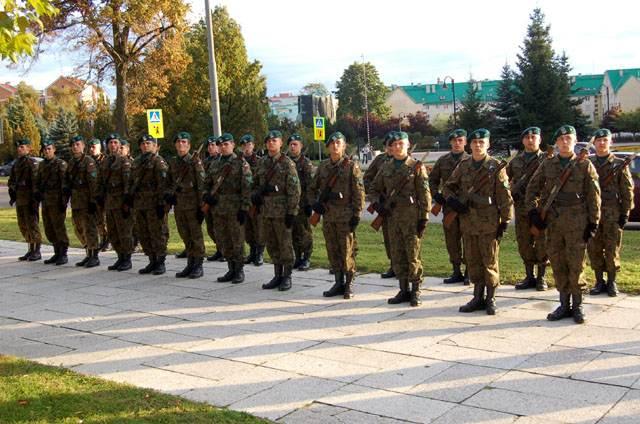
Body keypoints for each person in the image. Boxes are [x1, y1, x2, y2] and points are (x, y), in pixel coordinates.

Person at [526, 125, 600, 324]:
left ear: (575, 142)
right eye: (561, 139)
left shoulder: (584, 165)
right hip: (554, 222)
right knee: (558, 262)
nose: (565, 142)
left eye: (569, 138)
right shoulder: (548, 164)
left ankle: (577, 305)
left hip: (578, 222)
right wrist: (533, 211)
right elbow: (532, 187)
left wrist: (594, 222)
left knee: (576, 264)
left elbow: (594, 196)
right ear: (556, 143)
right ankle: (563, 304)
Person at [444, 129, 513, 315]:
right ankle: (477, 297)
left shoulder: (495, 166)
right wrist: (453, 202)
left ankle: (490, 298)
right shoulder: (464, 165)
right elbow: (449, 186)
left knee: (489, 261)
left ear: (488, 144)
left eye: (482, 142)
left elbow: (505, 197)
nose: (478, 145)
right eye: (474, 142)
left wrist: (505, 221)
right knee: (473, 261)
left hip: (489, 223)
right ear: (470, 145)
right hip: (468, 222)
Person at [371, 131, 431, 306]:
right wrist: (377, 204)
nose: (397, 147)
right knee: (397, 255)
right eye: (394, 144)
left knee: (413, 255)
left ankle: (415, 290)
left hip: (412, 218)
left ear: (407, 145)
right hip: (392, 218)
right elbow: (373, 188)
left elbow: (424, 194)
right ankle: (403, 289)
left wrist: (424, 217)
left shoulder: (416, 167)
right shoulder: (386, 167)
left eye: (401, 144)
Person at [311, 131, 365, 299]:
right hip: (328, 215)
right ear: (327, 147)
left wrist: (357, 213)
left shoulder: (351, 166)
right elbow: (312, 188)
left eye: (338, 143)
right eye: (332, 143)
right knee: (332, 249)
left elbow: (359, 192)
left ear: (344, 146)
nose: (335, 146)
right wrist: (316, 204)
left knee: (346, 250)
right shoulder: (323, 166)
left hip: (345, 215)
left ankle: (348, 284)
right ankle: (338, 282)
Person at [251, 130, 300, 291]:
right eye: (269, 141)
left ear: (280, 143)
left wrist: (291, 212)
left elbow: (294, 190)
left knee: (285, 244)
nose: (271, 143)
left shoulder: (287, 163)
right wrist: (255, 195)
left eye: (275, 140)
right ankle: (277, 275)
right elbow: (255, 184)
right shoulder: (262, 163)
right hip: (266, 211)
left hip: (282, 212)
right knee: (272, 244)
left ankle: (287, 276)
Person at [587, 128, 634, 297]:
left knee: (612, 248)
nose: (601, 143)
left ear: (610, 142)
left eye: (605, 140)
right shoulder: (588, 162)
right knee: (594, 248)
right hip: (592, 213)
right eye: (598, 140)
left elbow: (627, 189)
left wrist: (626, 212)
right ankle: (599, 281)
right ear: (595, 143)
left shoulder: (618, 164)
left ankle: (612, 281)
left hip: (612, 213)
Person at [203, 133, 252, 283]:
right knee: (223, 239)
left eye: (226, 144)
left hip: (234, 209)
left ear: (233, 145)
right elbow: (207, 183)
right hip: (218, 209)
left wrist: (244, 208)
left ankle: (239, 270)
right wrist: (206, 196)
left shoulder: (240, 163)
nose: (223, 147)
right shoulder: (214, 163)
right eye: (221, 145)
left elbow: (247, 187)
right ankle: (230, 268)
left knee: (236, 240)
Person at [507, 127, 550, 291]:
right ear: (523, 140)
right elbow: (504, 180)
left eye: (534, 137)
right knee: (524, 241)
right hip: (521, 208)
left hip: (540, 209)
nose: (530, 140)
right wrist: (510, 193)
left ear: (539, 140)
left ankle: (541, 277)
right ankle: (529, 276)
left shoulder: (547, 159)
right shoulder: (515, 161)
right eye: (527, 137)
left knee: (541, 242)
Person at [429, 129, 471, 285]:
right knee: (451, 239)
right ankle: (456, 271)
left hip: (467, 207)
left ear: (465, 142)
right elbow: (432, 180)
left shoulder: (471, 159)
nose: (457, 143)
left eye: (460, 140)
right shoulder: (442, 160)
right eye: (454, 140)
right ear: (450, 142)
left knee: (468, 239)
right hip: (448, 206)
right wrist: (436, 195)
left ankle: (469, 272)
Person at [165, 132, 207, 279]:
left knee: (195, 235)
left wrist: (201, 206)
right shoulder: (173, 162)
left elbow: (201, 185)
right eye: (178, 142)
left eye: (184, 142)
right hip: (179, 203)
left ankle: (198, 264)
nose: (181, 144)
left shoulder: (195, 162)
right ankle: (190, 262)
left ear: (189, 145)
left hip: (192, 203)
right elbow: (170, 182)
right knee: (184, 234)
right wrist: (170, 195)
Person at [128, 134, 169, 275]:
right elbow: (132, 181)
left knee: (157, 233)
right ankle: (152, 260)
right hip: (140, 204)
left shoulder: (158, 161)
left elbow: (163, 184)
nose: (146, 145)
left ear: (154, 146)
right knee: (143, 233)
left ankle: (160, 262)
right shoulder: (137, 162)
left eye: (149, 143)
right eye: (143, 143)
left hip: (154, 204)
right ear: (140, 146)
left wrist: (161, 203)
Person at [363, 131, 396, 279]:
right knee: (388, 237)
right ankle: (393, 265)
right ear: (385, 146)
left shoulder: (408, 161)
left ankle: (405, 266)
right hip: (384, 205)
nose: (391, 148)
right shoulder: (380, 160)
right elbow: (367, 179)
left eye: (394, 144)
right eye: (389, 145)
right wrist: (375, 199)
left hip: (402, 207)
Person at [64, 135, 100, 267]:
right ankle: (87, 252)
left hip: (86, 200)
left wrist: (93, 201)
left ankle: (94, 255)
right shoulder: (72, 162)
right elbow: (68, 181)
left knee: (89, 228)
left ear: (83, 146)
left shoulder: (88, 161)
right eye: (73, 145)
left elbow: (93, 183)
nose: (75, 147)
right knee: (78, 228)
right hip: (76, 201)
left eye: (78, 144)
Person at [100, 133, 134, 271]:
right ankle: (120, 257)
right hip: (110, 202)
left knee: (124, 231)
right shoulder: (106, 161)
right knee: (113, 232)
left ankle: (127, 258)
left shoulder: (124, 161)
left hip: (121, 202)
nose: (113, 145)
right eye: (110, 143)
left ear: (119, 145)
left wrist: (127, 201)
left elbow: (128, 183)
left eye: (115, 142)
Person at [36, 138, 69, 265]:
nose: (47, 151)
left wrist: (63, 202)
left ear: (54, 150)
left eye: (49, 149)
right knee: (49, 228)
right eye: (45, 149)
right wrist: (38, 193)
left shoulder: (61, 164)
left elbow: (64, 185)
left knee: (59, 227)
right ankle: (56, 252)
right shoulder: (42, 165)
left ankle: (63, 253)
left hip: (57, 201)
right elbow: (39, 181)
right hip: (46, 201)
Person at [8, 138, 42, 261]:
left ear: (28, 148)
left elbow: (35, 182)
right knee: (23, 225)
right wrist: (12, 191)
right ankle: (30, 248)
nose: (19, 149)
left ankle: (37, 250)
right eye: (18, 147)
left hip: (29, 199)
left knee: (32, 225)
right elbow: (12, 180)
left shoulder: (32, 162)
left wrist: (35, 200)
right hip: (20, 199)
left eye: (22, 147)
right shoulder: (16, 163)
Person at [287, 133, 315, 271]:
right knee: (292, 232)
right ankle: (297, 257)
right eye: (291, 144)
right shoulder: (286, 161)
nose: (293, 147)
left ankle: (306, 257)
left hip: (303, 203)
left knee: (304, 232)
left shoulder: (305, 163)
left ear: (301, 146)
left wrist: (310, 203)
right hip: (290, 204)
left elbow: (311, 185)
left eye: (295, 144)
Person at [240, 133, 264, 266]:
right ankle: (252, 251)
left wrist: (257, 196)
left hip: (256, 200)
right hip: (243, 200)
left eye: (249, 144)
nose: (246, 147)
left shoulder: (260, 161)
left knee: (259, 227)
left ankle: (259, 253)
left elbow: (262, 181)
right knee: (247, 229)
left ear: (253, 145)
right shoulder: (238, 161)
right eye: (244, 145)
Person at [202, 136, 224, 262]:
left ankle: (224, 251)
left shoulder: (222, 161)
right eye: (209, 145)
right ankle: (219, 249)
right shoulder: (206, 162)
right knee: (211, 228)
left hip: (219, 200)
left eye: (213, 145)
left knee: (220, 227)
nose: (211, 147)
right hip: (208, 198)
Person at [89, 138, 109, 251]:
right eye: (90, 147)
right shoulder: (88, 161)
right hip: (92, 194)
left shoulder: (105, 160)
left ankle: (107, 240)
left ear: (99, 148)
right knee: (98, 220)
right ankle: (103, 239)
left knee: (105, 219)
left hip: (104, 195)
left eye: (94, 147)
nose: (92, 149)